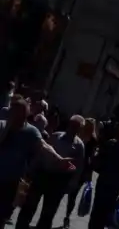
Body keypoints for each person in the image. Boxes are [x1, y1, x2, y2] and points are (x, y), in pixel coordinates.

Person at [0, 98, 74, 228]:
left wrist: (58, 159)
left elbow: (44, 146)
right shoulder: (2, 125)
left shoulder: (31, 131)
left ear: (26, 114)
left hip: (11, 181)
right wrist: (7, 127)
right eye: (14, 113)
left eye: (20, 114)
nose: (17, 117)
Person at [16, 115, 85, 229]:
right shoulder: (56, 136)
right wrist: (32, 169)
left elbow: (78, 166)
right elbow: (42, 152)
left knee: (49, 212)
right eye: (72, 125)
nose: (72, 128)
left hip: (59, 180)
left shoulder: (79, 145)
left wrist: (72, 182)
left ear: (79, 129)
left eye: (76, 127)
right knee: (29, 205)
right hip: (43, 174)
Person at [89, 124, 119, 229]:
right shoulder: (110, 143)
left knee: (107, 212)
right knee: (96, 209)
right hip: (103, 181)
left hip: (114, 186)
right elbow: (99, 158)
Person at [64, 118, 99, 228]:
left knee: (73, 195)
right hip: (72, 166)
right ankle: (65, 215)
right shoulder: (77, 136)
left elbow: (92, 158)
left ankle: (67, 216)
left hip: (82, 170)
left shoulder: (93, 140)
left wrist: (89, 174)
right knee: (64, 190)